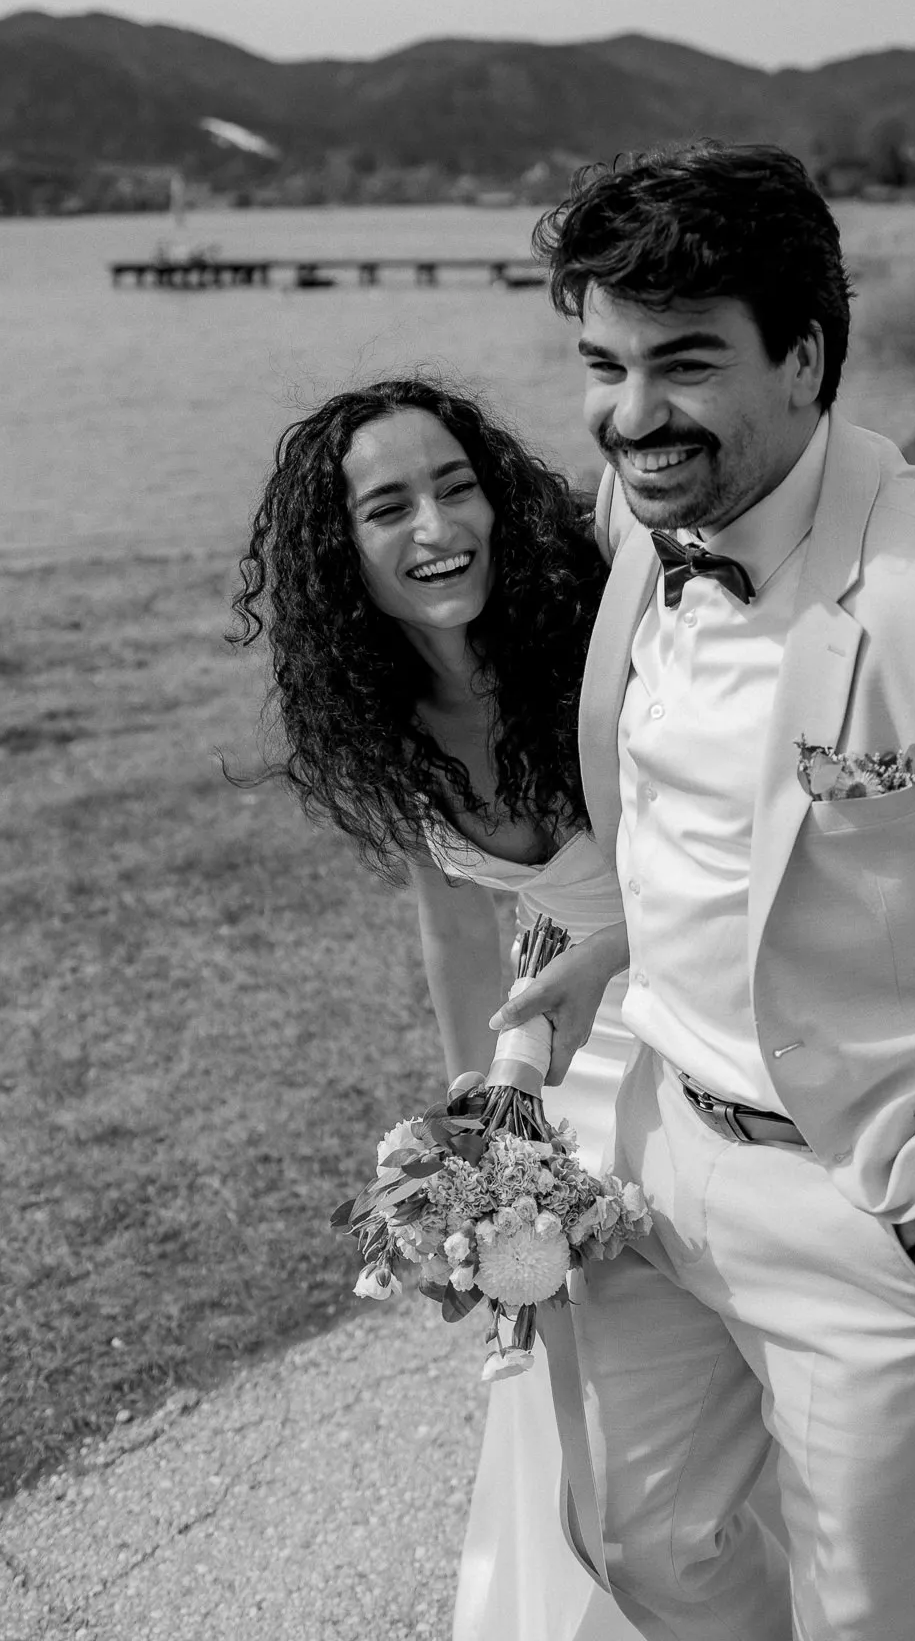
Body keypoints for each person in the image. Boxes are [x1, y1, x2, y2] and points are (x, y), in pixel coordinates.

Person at [491, 144, 915, 1641]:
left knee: (862, 1622)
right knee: (646, 1548)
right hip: (645, 1153)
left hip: (870, 1201)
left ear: (808, 355)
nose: (630, 416)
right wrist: (611, 945)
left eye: (684, 362)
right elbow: (715, 819)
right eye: (601, 363)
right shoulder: (641, 514)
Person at [231, 376, 642, 1641]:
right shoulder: (377, 723)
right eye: (389, 505)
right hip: (553, 1033)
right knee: (559, 1312)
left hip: (700, 991)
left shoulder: (597, 637)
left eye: (456, 485)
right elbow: (459, 930)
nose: (435, 526)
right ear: (341, 551)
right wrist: (487, 1132)